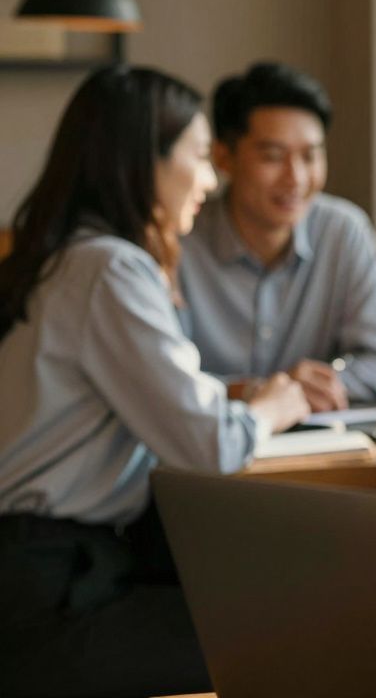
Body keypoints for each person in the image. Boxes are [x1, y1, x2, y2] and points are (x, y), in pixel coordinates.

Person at [0, 66, 309, 697]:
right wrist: (274, 406)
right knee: (289, 637)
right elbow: (209, 446)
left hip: (38, 576)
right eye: (198, 157)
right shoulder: (110, 269)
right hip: (54, 593)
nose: (209, 179)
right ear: (145, 164)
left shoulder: (59, 259)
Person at [179, 61, 376, 412]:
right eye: (273, 156)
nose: (295, 178)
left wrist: (321, 384)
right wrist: (257, 392)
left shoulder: (344, 232)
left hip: (322, 450)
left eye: (310, 156)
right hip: (207, 454)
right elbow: (165, 382)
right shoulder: (181, 241)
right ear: (224, 157)